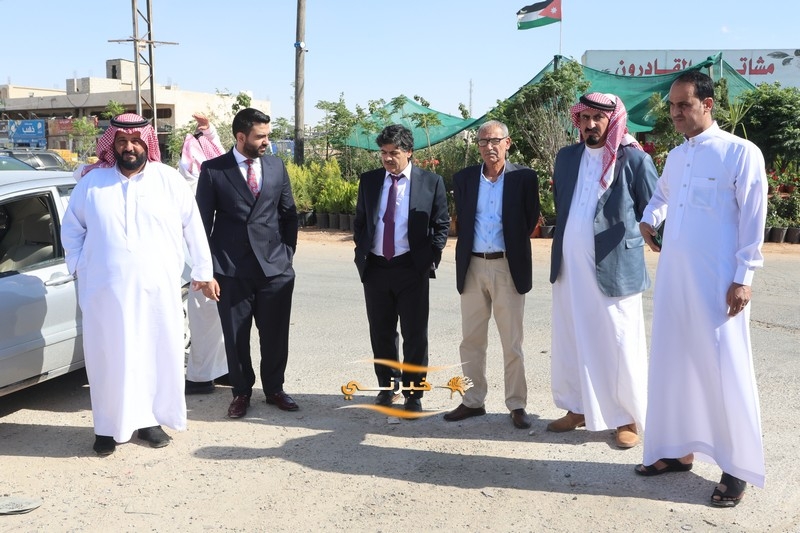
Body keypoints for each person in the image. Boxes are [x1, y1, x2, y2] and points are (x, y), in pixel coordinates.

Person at [635, 70, 767, 508]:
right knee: (673, 363)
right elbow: (661, 197)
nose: (675, 113)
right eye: (672, 106)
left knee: (723, 368)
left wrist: (744, 277)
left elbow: (754, 218)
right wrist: (649, 219)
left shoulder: (740, 152)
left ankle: (736, 467)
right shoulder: (676, 156)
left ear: (707, 105)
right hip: (675, 280)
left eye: (684, 105)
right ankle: (676, 451)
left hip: (719, 284)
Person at [61, 113, 215, 456]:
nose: (128, 147)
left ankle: (148, 421)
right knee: (107, 358)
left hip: (157, 290)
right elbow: (72, 229)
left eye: (135, 141)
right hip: (104, 292)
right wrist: (80, 266)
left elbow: (193, 227)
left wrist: (203, 270)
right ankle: (106, 427)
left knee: (153, 353)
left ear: (148, 143)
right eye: (121, 141)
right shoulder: (92, 183)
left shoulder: (169, 180)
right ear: (112, 145)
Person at [546, 93, 658, 448]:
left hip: (615, 268)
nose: (591, 124)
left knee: (619, 343)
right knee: (572, 338)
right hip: (569, 268)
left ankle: (627, 418)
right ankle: (578, 408)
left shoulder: (635, 160)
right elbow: (563, 205)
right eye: (585, 118)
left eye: (598, 118)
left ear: (613, 121)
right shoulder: (566, 158)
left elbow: (655, 209)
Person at [195, 107, 299, 419]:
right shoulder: (214, 170)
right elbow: (201, 225)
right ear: (241, 137)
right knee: (236, 337)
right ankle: (241, 392)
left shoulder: (276, 166)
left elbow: (288, 214)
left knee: (275, 335)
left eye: (268, 135)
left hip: (274, 269)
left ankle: (275, 389)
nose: (267, 141)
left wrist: (286, 255)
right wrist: (207, 271)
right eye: (260, 136)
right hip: (231, 270)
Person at [443, 120, 539, 429]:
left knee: (512, 342)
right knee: (471, 340)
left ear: (507, 143)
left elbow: (529, 220)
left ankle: (517, 404)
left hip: (507, 266)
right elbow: (464, 219)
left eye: (495, 140)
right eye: (483, 142)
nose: (489, 147)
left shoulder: (524, 178)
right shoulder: (465, 178)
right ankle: (473, 401)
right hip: (472, 266)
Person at [353, 124, 450, 413]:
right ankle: (388, 386)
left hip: (411, 268)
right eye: (383, 152)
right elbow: (361, 220)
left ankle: (413, 393)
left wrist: (430, 257)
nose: (387, 158)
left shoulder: (430, 182)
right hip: (376, 268)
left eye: (394, 152)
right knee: (381, 332)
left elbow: (441, 223)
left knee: (415, 334)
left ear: (409, 152)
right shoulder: (370, 181)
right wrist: (362, 248)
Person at [177, 113, 229, 394]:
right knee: (212, 318)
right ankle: (216, 372)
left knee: (209, 318)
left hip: (206, 260)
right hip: (205, 259)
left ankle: (204, 377)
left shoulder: (194, 181)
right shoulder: (193, 180)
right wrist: (208, 131)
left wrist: (208, 131)